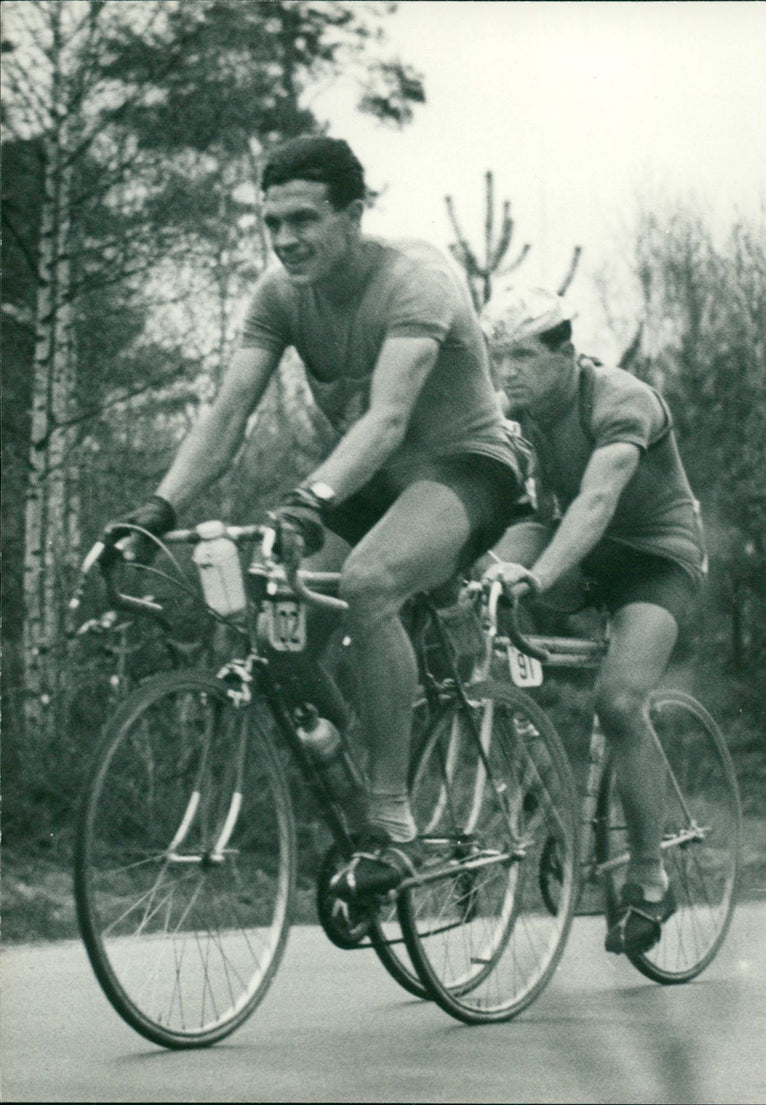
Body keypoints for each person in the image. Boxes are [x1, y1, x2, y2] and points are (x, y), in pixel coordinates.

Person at [105, 135, 522, 900]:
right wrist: (159, 507)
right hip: (372, 480)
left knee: (367, 581)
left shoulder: (416, 281)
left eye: (305, 219)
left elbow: (390, 417)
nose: (287, 240)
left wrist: (310, 499)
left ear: (354, 214)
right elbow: (229, 413)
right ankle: (366, 760)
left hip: (467, 466)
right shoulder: (279, 296)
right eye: (272, 223)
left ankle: (393, 821)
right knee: (275, 617)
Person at [482, 286, 707, 955]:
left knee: (618, 699)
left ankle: (649, 875)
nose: (509, 370)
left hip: (656, 560)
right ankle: (542, 806)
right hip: (581, 555)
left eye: (524, 354)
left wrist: (540, 575)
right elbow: (519, 510)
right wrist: (486, 568)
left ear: (567, 353)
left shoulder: (620, 399)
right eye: (500, 357)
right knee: (483, 596)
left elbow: (597, 498)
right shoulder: (512, 414)